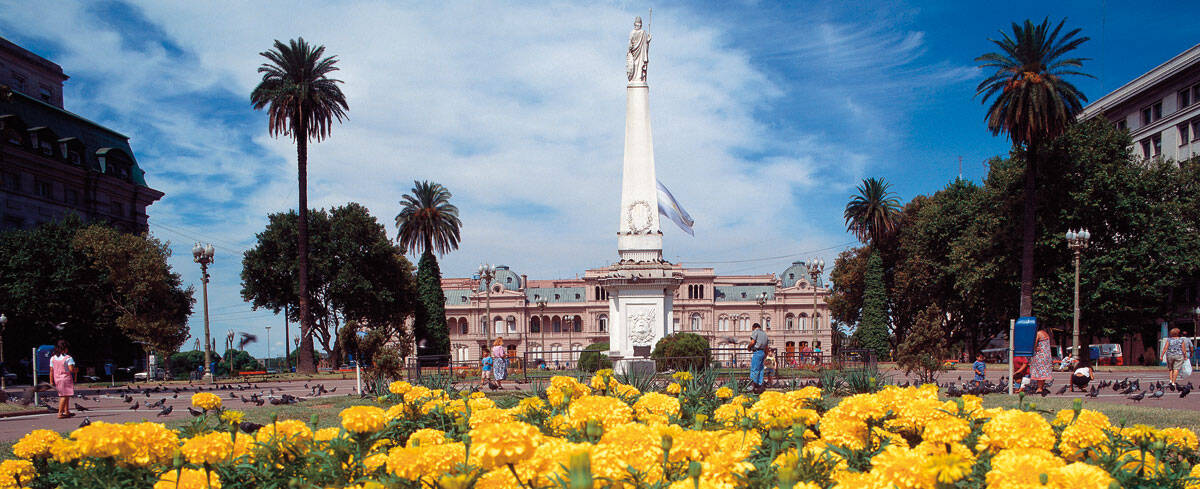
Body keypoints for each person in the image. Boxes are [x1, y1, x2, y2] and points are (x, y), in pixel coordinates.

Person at [49, 340, 76, 419]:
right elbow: (71, 369)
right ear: (65, 349)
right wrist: (76, 370)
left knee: (66, 395)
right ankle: (60, 413)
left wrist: (51, 381)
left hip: (57, 378)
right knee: (64, 396)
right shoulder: (68, 358)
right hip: (65, 378)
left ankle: (66, 411)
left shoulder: (53, 358)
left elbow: (51, 370)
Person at [1030, 329, 1053, 394]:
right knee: (1043, 372)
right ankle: (1041, 387)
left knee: (1039, 372)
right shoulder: (1046, 334)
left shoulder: (1038, 333)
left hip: (1040, 355)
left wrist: (1034, 348)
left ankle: (1039, 388)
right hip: (1047, 355)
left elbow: (1034, 342)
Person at [748, 323, 769, 392]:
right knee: (761, 369)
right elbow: (766, 347)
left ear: (754, 327)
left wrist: (748, 347)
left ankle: (753, 385)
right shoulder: (765, 334)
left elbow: (752, 342)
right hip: (763, 352)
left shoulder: (755, 332)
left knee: (754, 369)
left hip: (757, 352)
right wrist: (765, 355)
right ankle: (760, 385)